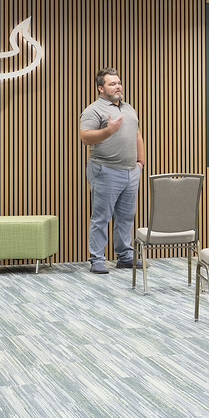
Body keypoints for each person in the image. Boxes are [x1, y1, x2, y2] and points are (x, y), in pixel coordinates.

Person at [79, 67, 146, 274]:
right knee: (101, 217)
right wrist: (108, 130)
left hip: (130, 171)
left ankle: (125, 256)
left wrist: (140, 163)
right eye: (112, 83)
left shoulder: (129, 108)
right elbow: (85, 137)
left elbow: (136, 135)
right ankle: (96, 258)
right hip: (104, 170)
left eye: (119, 82)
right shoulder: (93, 110)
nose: (118, 86)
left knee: (126, 216)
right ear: (101, 88)